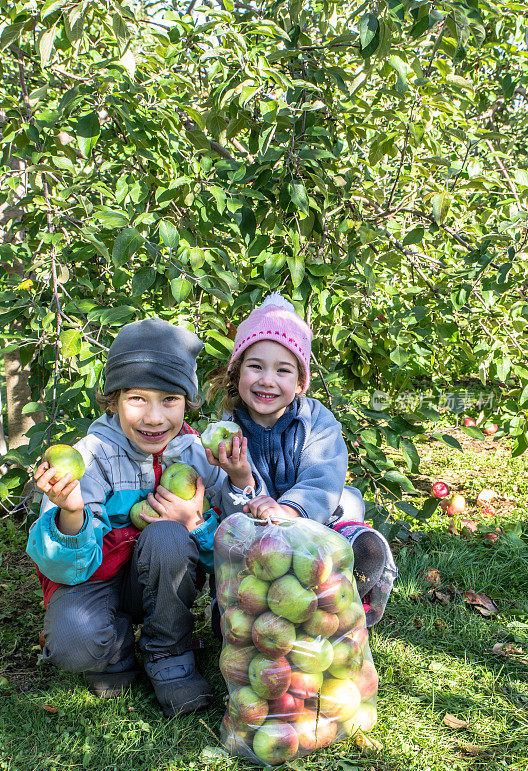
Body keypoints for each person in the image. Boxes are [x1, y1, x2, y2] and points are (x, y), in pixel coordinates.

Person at [27, 318, 253, 716]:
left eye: (169, 400)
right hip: (94, 583)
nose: (154, 417)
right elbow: (60, 568)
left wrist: (204, 516)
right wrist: (72, 512)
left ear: (188, 402)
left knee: (167, 536)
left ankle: (168, 652)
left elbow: (241, 547)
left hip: (162, 582)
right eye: (137, 399)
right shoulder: (90, 456)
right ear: (113, 399)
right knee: (74, 643)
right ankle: (115, 648)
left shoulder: (199, 454)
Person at [205, 294, 397, 627]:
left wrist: (289, 513)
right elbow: (229, 506)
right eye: (255, 366)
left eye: (283, 370)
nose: (268, 380)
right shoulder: (225, 430)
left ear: (299, 383)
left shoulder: (318, 422)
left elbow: (323, 478)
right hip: (255, 539)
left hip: (312, 528)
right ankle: (242, 606)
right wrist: (240, 480)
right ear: (236, 373)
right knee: (226, 534)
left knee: (349, 507)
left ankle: (340, 599)